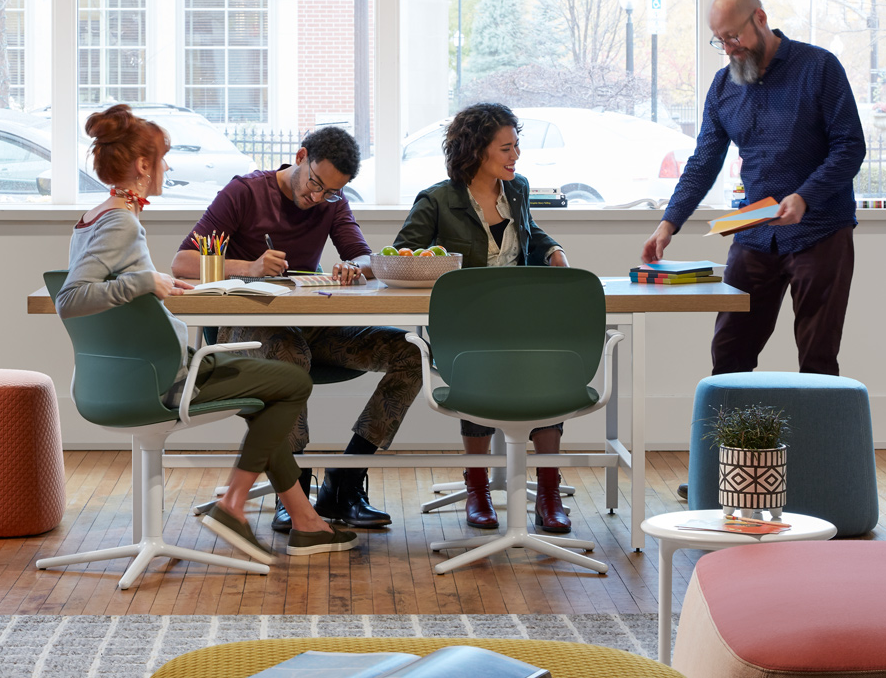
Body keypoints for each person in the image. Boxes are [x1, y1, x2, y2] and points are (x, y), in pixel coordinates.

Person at [56, 105, 356, 562]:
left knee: (269, 393)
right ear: (142, 165)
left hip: (126, 377)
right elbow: (71, 299)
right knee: (291, 383)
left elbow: (96, 284)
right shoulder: (120, 220)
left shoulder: (97, 216)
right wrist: (147, 281)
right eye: (164, 157)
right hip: (162, 378)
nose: (168, 166)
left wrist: (151, 280)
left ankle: (302, 520)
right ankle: (235, 506)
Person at [641, 0, 866, 496]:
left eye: (734, 35)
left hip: (820, 231)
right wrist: (668, 224)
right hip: (755, 235)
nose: (729, 48)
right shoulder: (724, 87)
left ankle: (817, 476)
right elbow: (703, 162)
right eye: (719, 41)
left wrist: (805, 197)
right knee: (729, 351)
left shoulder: (819, 68)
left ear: (761, 19)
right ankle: (722, 472)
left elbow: (850, 147)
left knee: (817, 358)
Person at [171, 126, 422, 533]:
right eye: (316, 184)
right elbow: (182, 263)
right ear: (301, 156)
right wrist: (248, 268)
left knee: (410, 353)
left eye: (332, 193)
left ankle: (346, 480)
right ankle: (293, 490)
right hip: (244, 331)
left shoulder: (331, 203)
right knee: (291, 355)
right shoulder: (245, 193)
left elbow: (365, 257)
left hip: (311, 326)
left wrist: (353, 267)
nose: (318, 198)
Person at [393, 101, 574, 534]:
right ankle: (477, 489)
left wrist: (552, 250)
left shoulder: (518, 189)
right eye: (506, 148)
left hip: (519, 311)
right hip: (466, 321)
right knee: (477, 364)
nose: (515, 157)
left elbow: (530, 232)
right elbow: (402, 254)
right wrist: (436, 268)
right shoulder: (438, 199)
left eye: (516, 147)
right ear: (477, 150)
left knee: (547, 364)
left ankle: (549, 493)